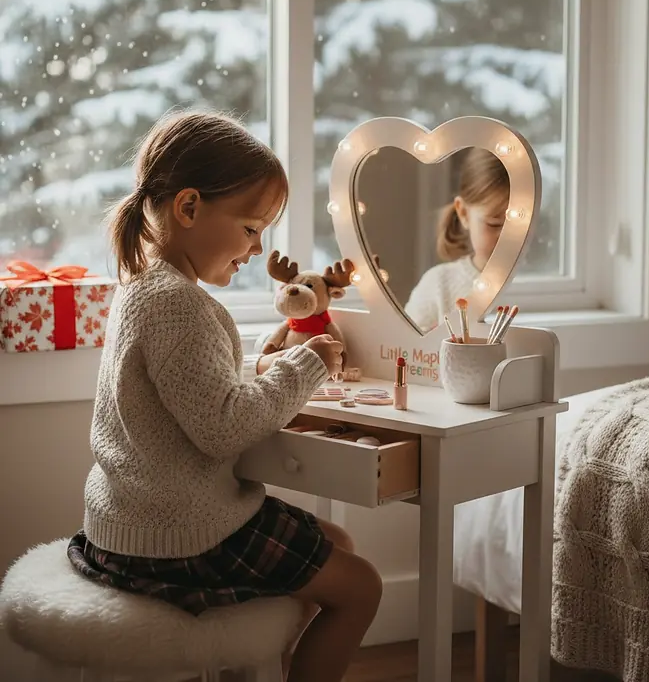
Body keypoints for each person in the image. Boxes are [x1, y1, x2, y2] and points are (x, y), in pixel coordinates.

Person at [66, 111, 382, 682]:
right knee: (361, 587)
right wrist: (308, 363)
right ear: (189, 208)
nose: (258, 249)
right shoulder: (179, 304)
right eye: (250, 228)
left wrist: (262, 366)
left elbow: (188, 384)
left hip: (119, 525)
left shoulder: (145, 285)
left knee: (335, 540)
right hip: (180, 535)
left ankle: (260, 666)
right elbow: (224, 428)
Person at [404, 147, 510, 332]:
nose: (507, 236)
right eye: (494, 223)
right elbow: (407, 349)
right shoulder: (438, 285)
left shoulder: (540, 286)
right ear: (463, 213)